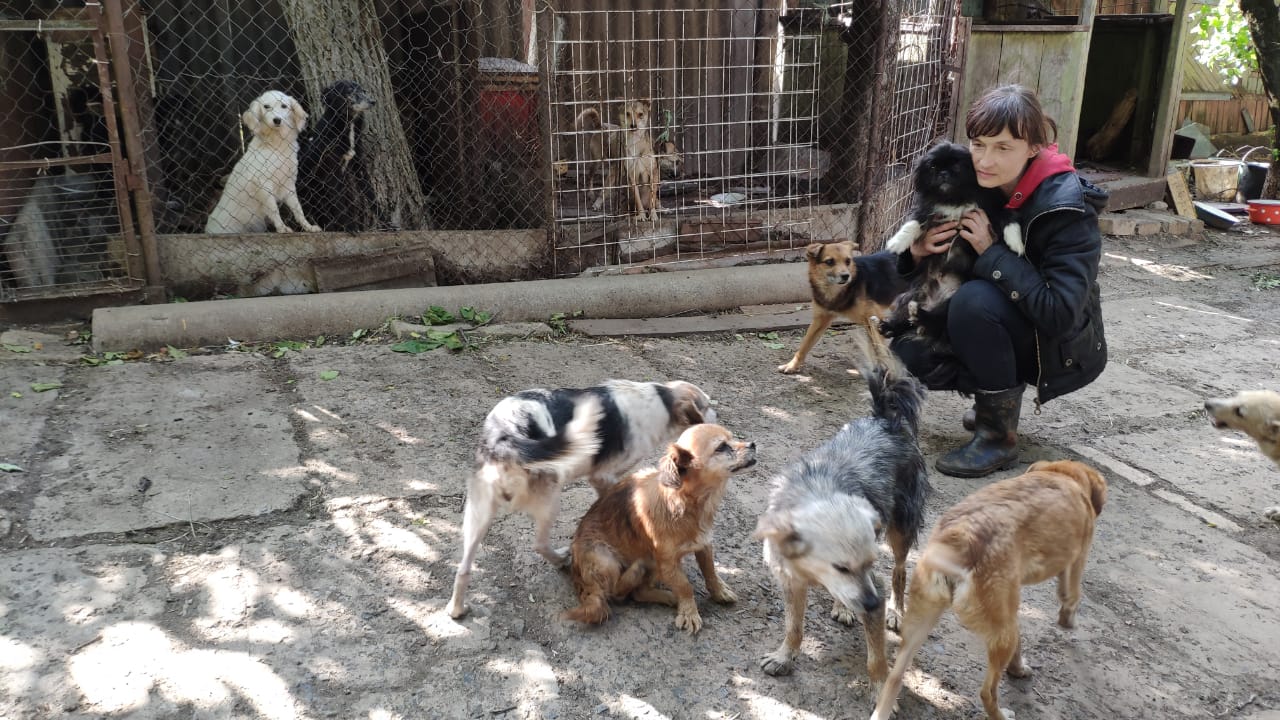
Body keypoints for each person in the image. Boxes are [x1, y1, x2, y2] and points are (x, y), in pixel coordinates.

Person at [890, 84, 1109, 478]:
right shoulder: (970, 178)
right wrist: (917, 252)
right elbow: (895, 261)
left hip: (1058, 349)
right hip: (1006, 320)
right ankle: (993, 398)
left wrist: (992, 253)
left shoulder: (1067, 208)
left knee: (974, 302)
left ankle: (997, 437)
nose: (985, 160)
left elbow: (1059, 313)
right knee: (910, 349)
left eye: (1003, 148)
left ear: (1034, 147)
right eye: (978, 144)